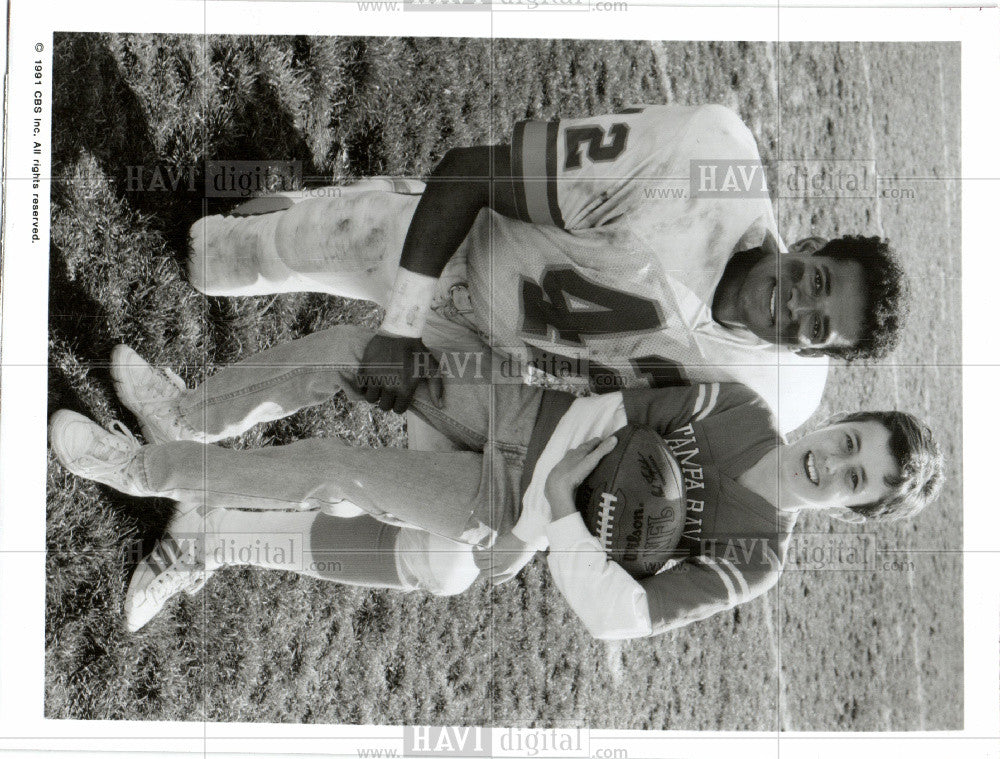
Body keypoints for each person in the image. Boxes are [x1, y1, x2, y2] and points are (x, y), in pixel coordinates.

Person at [48, 326, 942, 635]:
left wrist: (558, 517)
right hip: (523, 417)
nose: (837, 460)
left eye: (855, 480)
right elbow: (614, 416)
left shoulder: (757, 557)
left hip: (507, 509)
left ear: (853, 509)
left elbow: (617, 616)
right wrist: (571, 487)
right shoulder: (742, 403)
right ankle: (189, 415)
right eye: (853, 439)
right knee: (362, 353)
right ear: (842, 418)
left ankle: (141, 468)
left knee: (335, 466)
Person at [189, 104, 908, 434]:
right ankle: (345, 208)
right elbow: (469, 174)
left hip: (503, 370)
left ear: (811, 354)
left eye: (814, 330)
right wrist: (402, 328)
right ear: (809, 241)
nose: (795, 308)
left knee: (443, 556)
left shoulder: (773, 393)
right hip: (471, 245)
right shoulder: (699, 162)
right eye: (816, 281)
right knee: (217, 258)